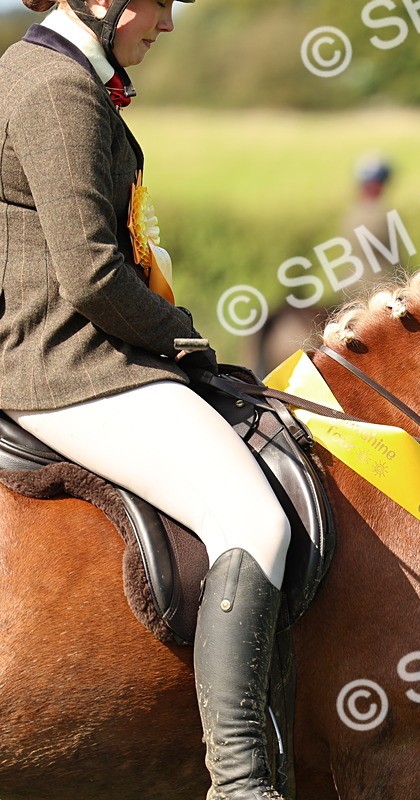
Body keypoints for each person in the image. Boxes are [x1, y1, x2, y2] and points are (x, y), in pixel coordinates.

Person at [0, 2, 290, 798]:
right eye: (157, 4)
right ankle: (241, 782)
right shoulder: (56, 87)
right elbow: (92, 275)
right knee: (252, 520)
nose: (166, 22)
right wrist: (184, 341)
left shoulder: (42, 72)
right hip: (68, 367)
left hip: (69, 354)